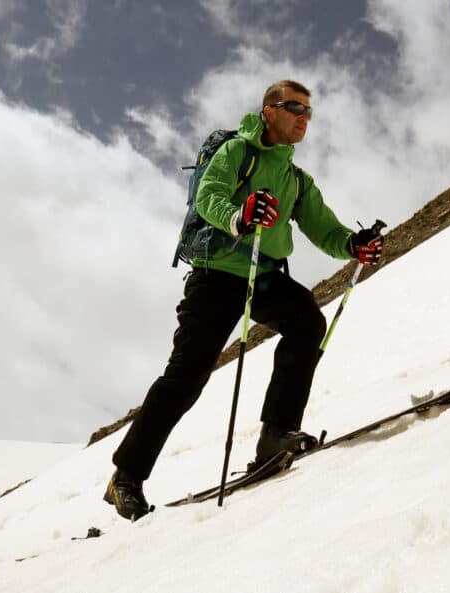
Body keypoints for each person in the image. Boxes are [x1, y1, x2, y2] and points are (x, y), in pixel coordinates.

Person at [104, 80, 384, 521]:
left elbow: (325, 230)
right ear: (269, 110)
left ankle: (276, 434)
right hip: (217, 274)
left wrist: (354, 244)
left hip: (265, 274)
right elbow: (209, 195)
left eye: (308, 111)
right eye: (294, 107)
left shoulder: (295, 179)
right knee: (187, 377)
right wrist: (239, 214)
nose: (303, 117)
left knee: (307, 322)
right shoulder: (237, 152)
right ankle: (126, 477)